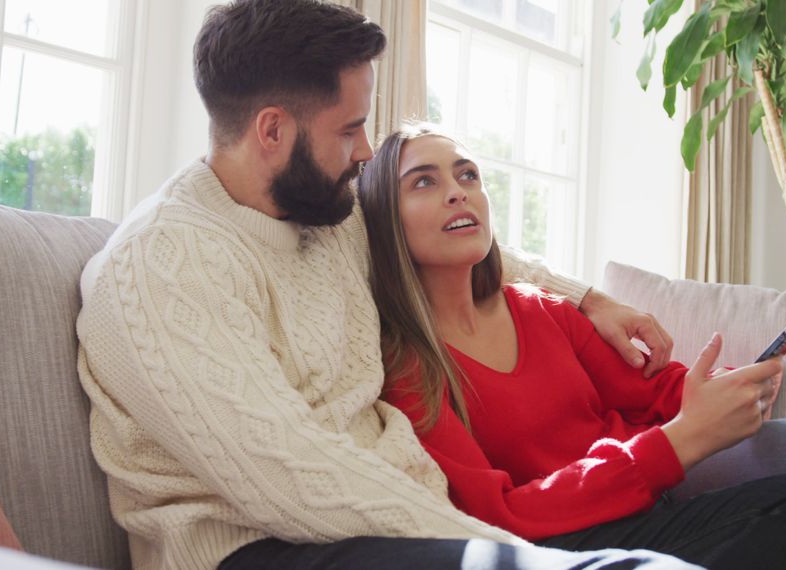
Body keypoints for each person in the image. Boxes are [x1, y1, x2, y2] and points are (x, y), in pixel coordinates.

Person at [75, 1, 705, 569]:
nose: (365, 152)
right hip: (263, 547)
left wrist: (589, 299)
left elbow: (457, 243)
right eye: (348, 129)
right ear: (272, 131)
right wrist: (510, 551)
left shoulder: (324, 215)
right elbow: (287, 475)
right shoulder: (165, 264)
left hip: (399, 527)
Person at [357, 124, 786, 570]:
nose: (458, 190)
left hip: (658, 499)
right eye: (424, 182)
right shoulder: (409, 367)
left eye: (467, 173)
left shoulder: (544, 310)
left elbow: (655, 394)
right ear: (387, 217)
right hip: (575, 542)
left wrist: (723, 391)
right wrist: (683, 440)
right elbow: (499, 514)